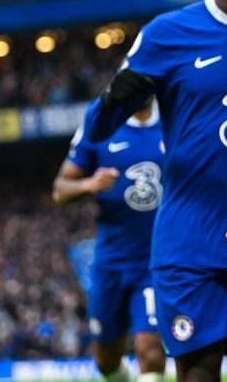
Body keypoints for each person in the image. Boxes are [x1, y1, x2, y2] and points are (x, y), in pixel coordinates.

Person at [90, 0, 227, 382]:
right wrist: (117, 94)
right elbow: (98, 125)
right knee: (196, 377)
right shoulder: (167, 33)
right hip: (190, 243)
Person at [53, 99, 167, 382]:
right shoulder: (100, 125)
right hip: (111, 262)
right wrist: (89, 184)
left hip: (155, 261)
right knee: (105, 360)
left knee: (150, 351)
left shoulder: (174, 119)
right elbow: (59, 190)